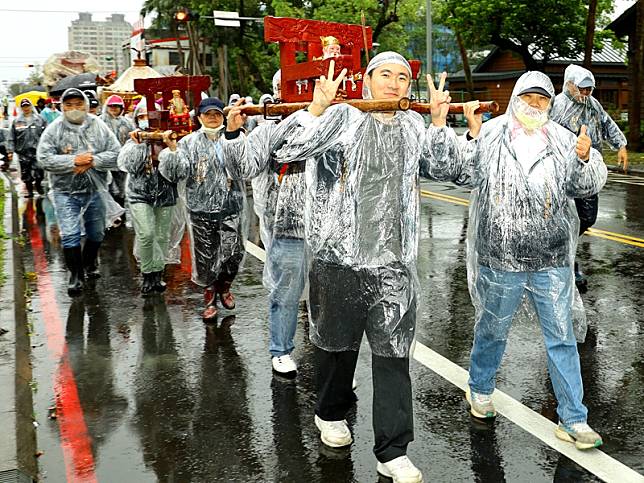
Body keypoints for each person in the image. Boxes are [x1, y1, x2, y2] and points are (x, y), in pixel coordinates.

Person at [226, 53, 468, 482]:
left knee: (394, 357)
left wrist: (437, 122)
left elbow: (451, 170)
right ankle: (330, 413)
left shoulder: (413, 126)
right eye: (386, 75)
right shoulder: (344, 117)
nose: (395, 83)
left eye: (403, 77)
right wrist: (316, 110)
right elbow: (284, 151)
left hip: (392, 265)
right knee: (337, 349)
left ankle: (392, 451)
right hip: (338, 261)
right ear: (367, 81)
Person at [428, 71, 607, 450]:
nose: (535, 105)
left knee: (562, 339)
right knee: (492, 331)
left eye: (543, 99)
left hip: (552, 259)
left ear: (550, 103)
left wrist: (586, 158)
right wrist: (469, 135)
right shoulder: (490, 134)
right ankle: (479, 388)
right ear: (514, 98)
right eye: (529, 97)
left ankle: (574, 418)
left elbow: (586, 186)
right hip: (500, 258)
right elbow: (456, 172)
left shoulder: (564, 140)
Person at [221, 84, 306, 379]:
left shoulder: (334, 124)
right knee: (287, 291)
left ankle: (332, 359)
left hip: (330, 230)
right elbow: (243, 168)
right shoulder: (269, 131)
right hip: (288, 226)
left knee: (330, 296)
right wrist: (232, 134)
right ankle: (280, 350)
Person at [158, 97, 245, 321]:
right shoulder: (188, 143)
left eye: (217, 114)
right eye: (208, 114)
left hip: (231, 206)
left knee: (233, 254)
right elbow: (176, 174)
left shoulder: (234, 137)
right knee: (206, 258)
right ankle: (209, 301)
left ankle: (224, 287)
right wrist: (173, 151)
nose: (213, 118)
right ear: (199, 117)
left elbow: (246, 165)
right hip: (201, 209)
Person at [550, 64, 627, 291]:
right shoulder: (557, 105)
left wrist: (621, 145)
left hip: (589, 172)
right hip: (562, 174)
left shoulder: (593, 105)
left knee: (587, 218)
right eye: (581, 89)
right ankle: (567, 264)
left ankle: (561, 250)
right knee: (567, 219)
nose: (585, 93)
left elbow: (606, 123)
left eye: (589, 89)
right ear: (569, 84)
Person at [37, 88, 120, 296]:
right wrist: (72, 161)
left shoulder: (98, 126)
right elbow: (44, 158)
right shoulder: (54, 129)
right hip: (65, 191)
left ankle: (89, 263)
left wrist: (92, 160)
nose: (74, 109)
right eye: (69, 105)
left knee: (97, 232)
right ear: (61, 107)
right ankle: (75, 275)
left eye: (78, 104)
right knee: (70, 233)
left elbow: (116, 153)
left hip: (96, 190)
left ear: (85, 104)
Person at [117, 100, 179, 295]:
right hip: (139, 195)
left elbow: (179, 172)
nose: (147, 120)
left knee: (162, 236)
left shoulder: (171, 140)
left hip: (165, 195)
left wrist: (172, 149)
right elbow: (129, 166)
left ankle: (157, 274)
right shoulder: (132, 142)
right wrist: (137, 146)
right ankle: (146, 272)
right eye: (142, 116)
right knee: (146, 234)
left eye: (151, 116)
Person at [101, 94, 135, 208]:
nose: (114, 108)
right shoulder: (100, 122)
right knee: (108, 187)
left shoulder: (127, 122)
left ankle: (120, 210)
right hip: (105, 160)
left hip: (123, 160)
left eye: (117, 106)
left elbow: (133, 140)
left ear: (122, 108)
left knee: (122, 187)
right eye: (111, 106)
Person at [8, 98, 47, 196]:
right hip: (23, 152)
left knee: (39, 171)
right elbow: (11, 137)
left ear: (31, 106)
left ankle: (38, 185)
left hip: (37, 151)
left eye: (27, 106)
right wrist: (10, 151)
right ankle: (29, 191)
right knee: (26, 173)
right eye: (23, 106)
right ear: (21, 108)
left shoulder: (40, 119)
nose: (26, 108)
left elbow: (47, 135)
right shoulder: (17, 121)